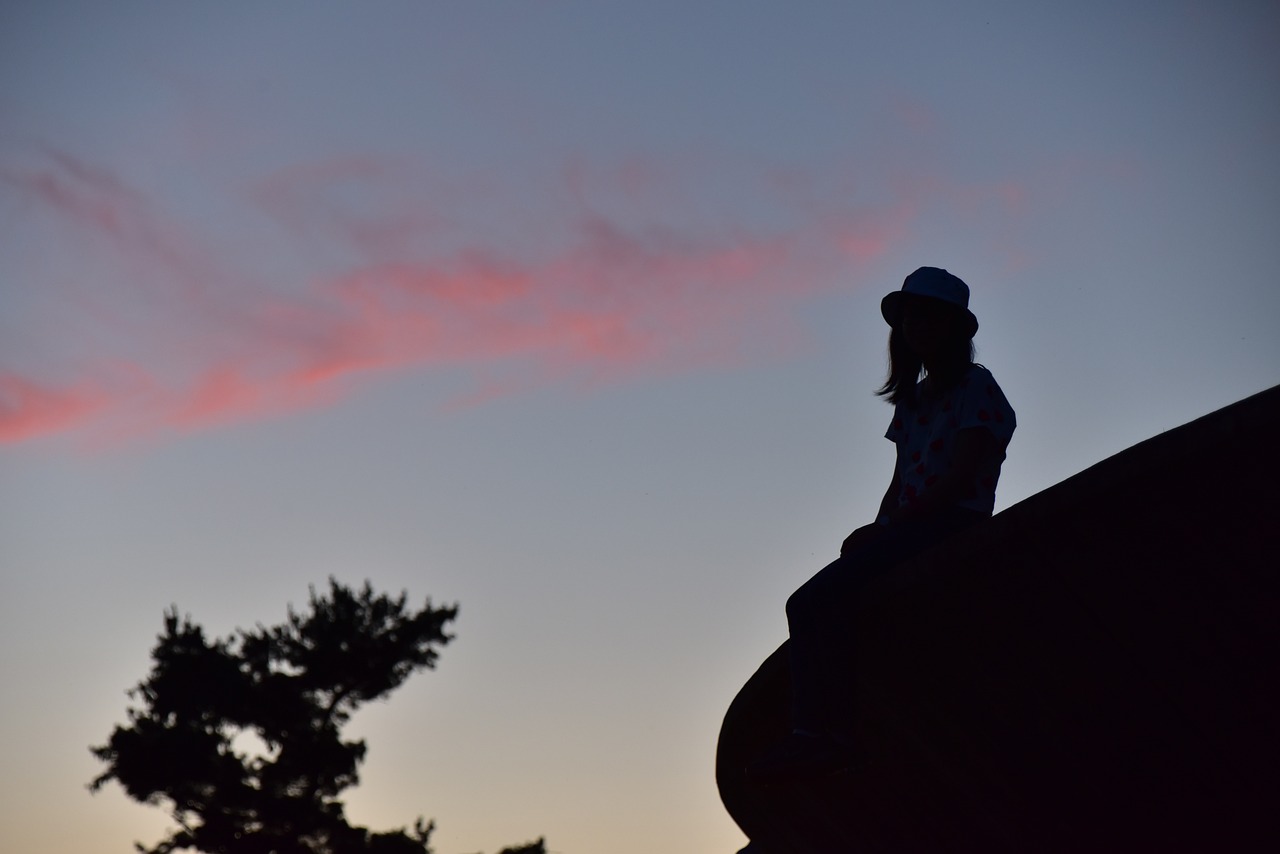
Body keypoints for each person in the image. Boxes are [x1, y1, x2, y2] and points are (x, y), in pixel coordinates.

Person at [747, 266, 1016, 784]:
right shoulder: (913, 403)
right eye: (909, 318)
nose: (915, 326)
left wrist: (890, 530)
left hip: (951, 524)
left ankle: (820, 735)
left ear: (955, 328)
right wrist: (878, 529)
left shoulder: (977, 388)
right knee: (842, 597)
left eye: (927, 316)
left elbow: (960, 480)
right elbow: (901, 481)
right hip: (911, 527)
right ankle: (828, 731)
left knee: (807, 603)